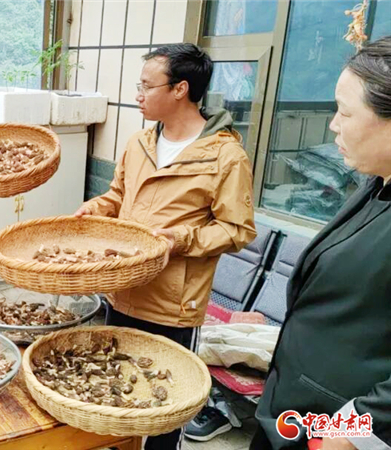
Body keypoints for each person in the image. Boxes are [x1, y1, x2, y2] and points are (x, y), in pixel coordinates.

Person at [75, 43, 257, 449]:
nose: (138, 94)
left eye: (146, 85)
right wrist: (95, 208)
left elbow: (237, 229)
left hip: (172, 307)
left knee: (165, 407)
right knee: (117, 394)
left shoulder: (226, 156)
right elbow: (118, 196)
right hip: (122, 292)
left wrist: (181, 239)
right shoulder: (140, 142)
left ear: (180, 89)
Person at [251, 36, 391, 450]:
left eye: (345, 112)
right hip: (295, 412)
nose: (333, 124)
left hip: (334, 431)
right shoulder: (375, 184)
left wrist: (353, 433)